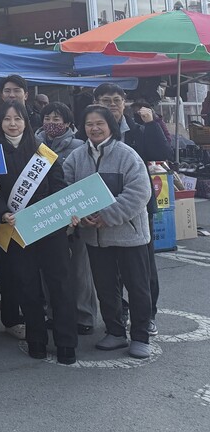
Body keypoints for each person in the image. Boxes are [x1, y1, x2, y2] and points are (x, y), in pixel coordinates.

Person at [0, 101, 78, 364]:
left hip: (50, 227)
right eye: (7, 119)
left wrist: (60, 212)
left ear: (26, 122)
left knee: (60, 284)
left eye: (18, 118)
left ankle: (66, 341)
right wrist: (3, 212)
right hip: (16, 228)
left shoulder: (43, 152)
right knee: (27, 284)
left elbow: (59, 186)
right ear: (0, 122)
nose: (12, 124)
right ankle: (36, 338)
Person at [64, 105, 153, 359]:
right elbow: (66, 191)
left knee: (137, 287)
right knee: (105, 287)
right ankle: (115, 331)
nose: (94, 128)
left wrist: (107, 216)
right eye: (89, 124)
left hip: (129, 236)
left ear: (110, 126)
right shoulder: (76, 158)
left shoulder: (127, 155)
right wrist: (80, 216)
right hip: (95, 238)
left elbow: (139, 193)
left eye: (99, 123)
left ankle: (140, 336)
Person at [93, 83, 170, 334]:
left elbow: (161, 152)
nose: (112, 105)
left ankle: (148, 315)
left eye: (117, 100)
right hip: (100, 211)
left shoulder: (138, 129)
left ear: (124, 102)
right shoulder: (90, 131)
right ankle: (121, 311)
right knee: (109, 271)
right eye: (106, 100)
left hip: (137, 209)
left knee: (143, 269)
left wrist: (152, 123)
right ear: (96, 103)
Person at [35, 101, 96, 334]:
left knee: (79, 270)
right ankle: (54, 313)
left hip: (74, 216)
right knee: (49, 270)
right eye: (47, 118)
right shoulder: (34, 145)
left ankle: (84, 316)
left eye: (57, 119)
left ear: (68, 123)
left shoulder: (79, 147)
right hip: (46, 217)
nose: (51, 123)